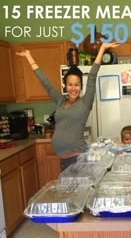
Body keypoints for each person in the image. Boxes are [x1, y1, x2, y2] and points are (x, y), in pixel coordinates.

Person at [16, 42, 120, 171]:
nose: (73, 88)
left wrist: (103, 48)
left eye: (77, 85)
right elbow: (45, 82)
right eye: (70, 84)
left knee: (77, 191)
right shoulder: (60, 101)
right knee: (68, 191)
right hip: (64, 160)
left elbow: (92, 75)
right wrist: (29, 57)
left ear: (81, 86)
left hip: (78, 158)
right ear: (66, 86)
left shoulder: (85, 103)